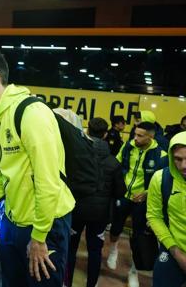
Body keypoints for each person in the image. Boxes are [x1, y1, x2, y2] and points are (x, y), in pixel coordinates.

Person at [0, 49, 75, 287]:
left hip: (44, 224)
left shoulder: (31, 113)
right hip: (12, 221)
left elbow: (48, 180)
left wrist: (39, 236)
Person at [107, 121, 168, 287]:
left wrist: (147, 194)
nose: (135, 138)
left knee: (138, 237)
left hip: (142, 200)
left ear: (151, 137)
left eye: (140, 136)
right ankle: (113, 250)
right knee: (115, 228)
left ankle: (132, 271)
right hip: (123, 195)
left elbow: (162, 181)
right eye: (135, 134)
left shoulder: (161, 156)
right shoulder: (128, 146)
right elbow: (116, 164)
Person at [66, 117, 126, 287]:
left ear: (87, 131)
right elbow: (120, 191)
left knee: (71, 248)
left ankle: (66, 282)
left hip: (76, 210)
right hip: (100, 215)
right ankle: (91, 284)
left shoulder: (77, 157)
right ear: (105, 134)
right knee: (94, 251)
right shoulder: (113, 163)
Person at [147, 131, 186, 287]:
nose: (184, 166)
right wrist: (177, 253)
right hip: (172, 249)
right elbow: (154, 216)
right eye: (178, 159)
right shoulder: (161, 178)